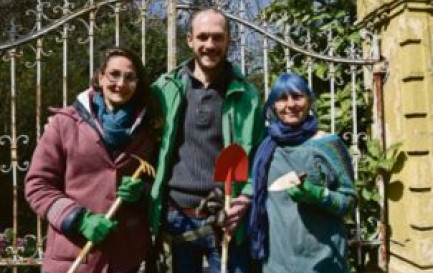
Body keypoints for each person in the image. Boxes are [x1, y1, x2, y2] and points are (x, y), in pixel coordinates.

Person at [25, 47, 161, 273]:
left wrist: (142, 193)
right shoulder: (65, 123)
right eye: (114, 74)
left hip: (125, 259)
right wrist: (78, 219)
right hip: (73, 255)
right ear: (100, 77)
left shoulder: (147, 131)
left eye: (129, 77)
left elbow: (159, 183)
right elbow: (37, 185)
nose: (121, 83)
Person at [149, 8, 264, 273]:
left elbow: (260, 156)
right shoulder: (165, 89)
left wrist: (245, 198)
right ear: (189, 39)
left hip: (226, 217)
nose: (209, 45)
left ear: (228, 41)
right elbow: (122, 103)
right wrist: (79, 110)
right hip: (176, 216)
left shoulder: (248, 96)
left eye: (217, 37)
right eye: (202, 37)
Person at [249, 73, 357, 273]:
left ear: (309, 100)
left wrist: (319, 195)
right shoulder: (265, 146)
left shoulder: (328, 144)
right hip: (277, 259)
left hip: (323, 259)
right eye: (282, 98)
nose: (290, 104)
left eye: (297, 97)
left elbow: (349, 202)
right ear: (273, 105)